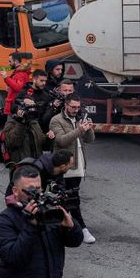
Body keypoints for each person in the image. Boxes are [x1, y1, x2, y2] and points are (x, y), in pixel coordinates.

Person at [48, 93, 96, 243]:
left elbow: (90, 140)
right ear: (66, 106)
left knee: (69, 199)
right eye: (73, 107)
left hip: (78, 165)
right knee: (70, 199)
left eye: (78, 107)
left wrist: (89, 129)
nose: (76, 110)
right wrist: (79, 130)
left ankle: (65, 226)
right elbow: (61, 141)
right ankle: (82, 229)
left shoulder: (80, 118)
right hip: (63, 167)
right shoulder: (56, 120)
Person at [2, 95, 44, 165]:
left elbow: (41, 142)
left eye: (32, 106)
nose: (31, 109)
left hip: (35, 164)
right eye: (28, 106)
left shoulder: (34, 123)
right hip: (20, 166)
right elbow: (12, 143)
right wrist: (20, 123)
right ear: (19, 108)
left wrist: (50, 138)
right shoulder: (11, 123)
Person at [0, 51, 31, 116]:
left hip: (15, 106)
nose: (9, 64)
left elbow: (18, 88)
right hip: (17, 105)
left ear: (16, 61)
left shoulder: (19, 74)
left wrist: (6, 78)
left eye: (10, 61)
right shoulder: (19, 72)